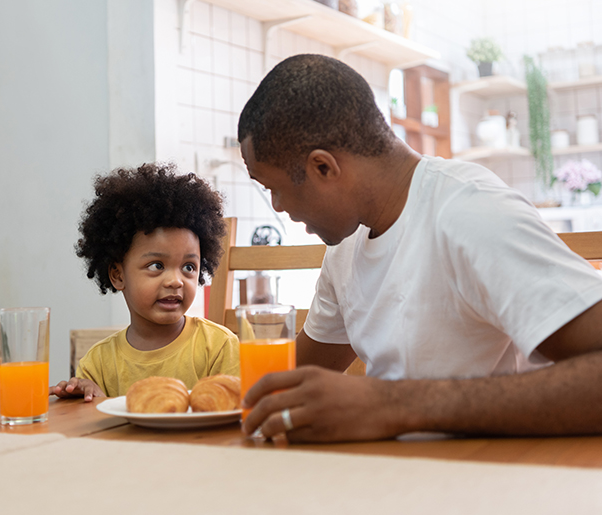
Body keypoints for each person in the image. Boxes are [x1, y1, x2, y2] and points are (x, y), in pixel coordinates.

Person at [237, 54, 602, 443]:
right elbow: (288, 382)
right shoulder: (347, 244)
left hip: (483, 482)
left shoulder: (472, 213)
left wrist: (391, 406)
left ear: (324, 168)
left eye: (273, 188)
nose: (276, 205)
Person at [50, 163, 239, 401]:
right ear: (118, 275)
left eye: (188, 267)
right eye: (156, 266)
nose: (175, 281)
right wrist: (89, 401)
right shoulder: (97, 364)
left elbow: (236, 419)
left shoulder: (219, 347)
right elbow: (96, 430)